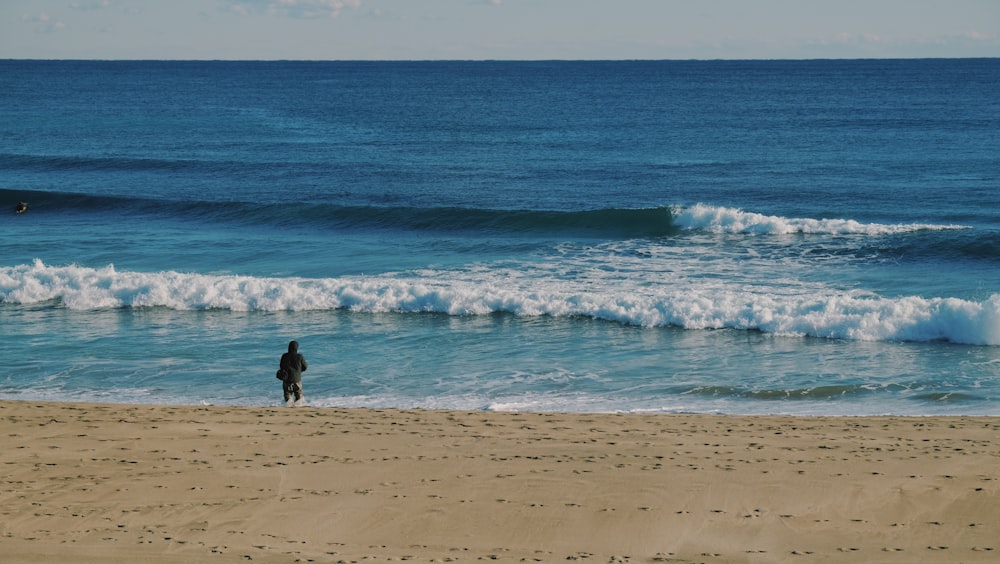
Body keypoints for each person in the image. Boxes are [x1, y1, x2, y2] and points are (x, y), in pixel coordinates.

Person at [278, 340, 307, 406]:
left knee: (287, 395)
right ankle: (298, 406)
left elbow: (281, 367)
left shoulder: (284, 356)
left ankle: (288, 406)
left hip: (287, 380)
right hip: (297, 380)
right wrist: (299, 371)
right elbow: (305, 367)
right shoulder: (300, 357)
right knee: (298, 395)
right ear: (296, 348)